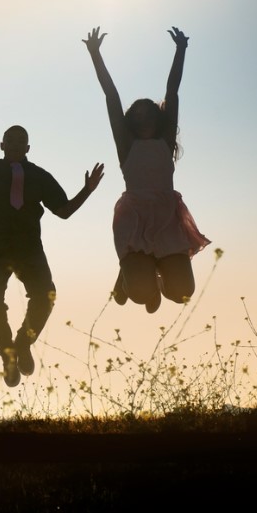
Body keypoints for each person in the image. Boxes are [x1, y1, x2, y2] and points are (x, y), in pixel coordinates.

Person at [0, 116, 103, 388]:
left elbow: (64, 211)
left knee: (45, 296)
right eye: (10, 140)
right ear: (1, 145)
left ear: (28, 148)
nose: (14, 145)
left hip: (29, 249)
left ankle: (23, 344)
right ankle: (7, 353)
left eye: (20, 141)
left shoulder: (39, 176)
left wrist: (87, 190)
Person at [83, 26, 210, 313]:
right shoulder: (126, 146)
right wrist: (95, 54)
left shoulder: (165, 143)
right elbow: (111, 97)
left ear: (158, 118)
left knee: (182, 294)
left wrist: (181, 50)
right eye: (135, 115)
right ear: (129, 123)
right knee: (140, 295)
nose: (141, 118)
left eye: (147, 112)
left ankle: (156, 278)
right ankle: (137, 279)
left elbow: (172, 92)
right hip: (135, 216)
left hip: (166, 215)